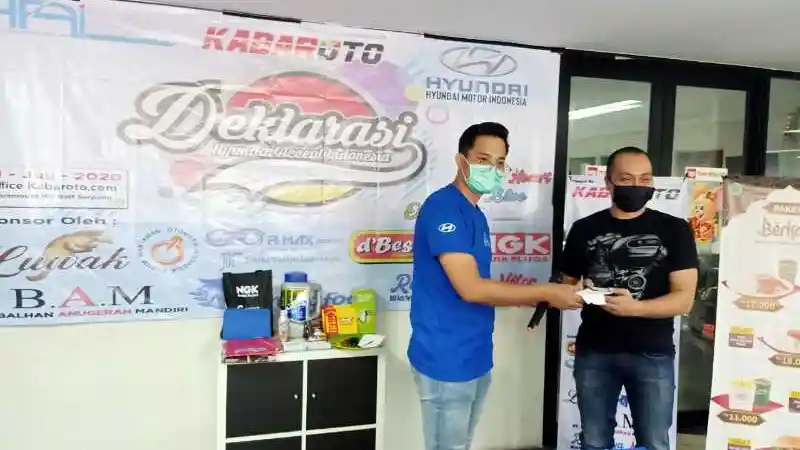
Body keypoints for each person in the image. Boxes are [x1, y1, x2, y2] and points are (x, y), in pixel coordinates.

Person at [408, 122, 584, 450]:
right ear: (461, 161)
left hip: (475, 353)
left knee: (462, 444)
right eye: (483, 160)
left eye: (500, 163)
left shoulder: (475, 213)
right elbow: (471, 289)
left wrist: (544, 296)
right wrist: (544, 292)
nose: (493, 169)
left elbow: (483, 288)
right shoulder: (443, 208)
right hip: (445, 356)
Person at [560, 146, 699, 450]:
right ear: (608, 183)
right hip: (594, 352)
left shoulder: (675, 230)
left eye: (644, 179)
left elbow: (683, 300)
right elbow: (564, 288)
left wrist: (634, 308)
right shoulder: (584, 229)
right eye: (626, 179)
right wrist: (580, 291)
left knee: (654, 443)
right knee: (594, 441)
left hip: (652, 354)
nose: (637, 186)